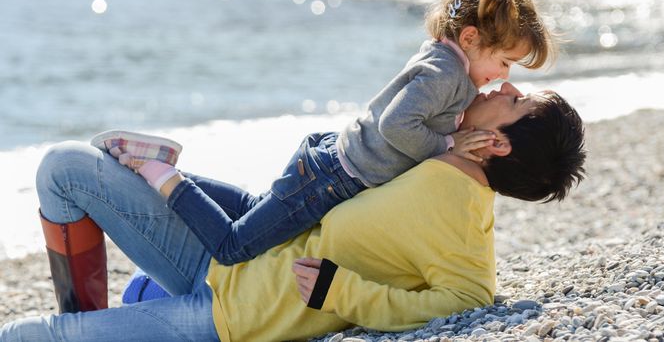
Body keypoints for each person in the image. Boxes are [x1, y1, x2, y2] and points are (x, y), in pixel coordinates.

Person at [0, 82, 586, 342]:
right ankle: (102, 307)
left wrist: (345, 292)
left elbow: (469, 299)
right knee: (65, 165)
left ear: (501, 143)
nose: (500, 86)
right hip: (226, 254)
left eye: (512, 99)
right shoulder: (429, 153)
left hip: (234, 319)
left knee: (31, 337)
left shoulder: (463, 215)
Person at [92, 0, 556, 277]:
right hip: (333, 177)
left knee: (257, 207)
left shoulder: (456, 69)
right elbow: (398, 125)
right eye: (504, 61)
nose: (504, 77)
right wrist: (448, 147)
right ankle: (162, 173)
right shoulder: (444, 72)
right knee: (234, 247)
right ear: (471, 37)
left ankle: (164, 166)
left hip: (332, 164)